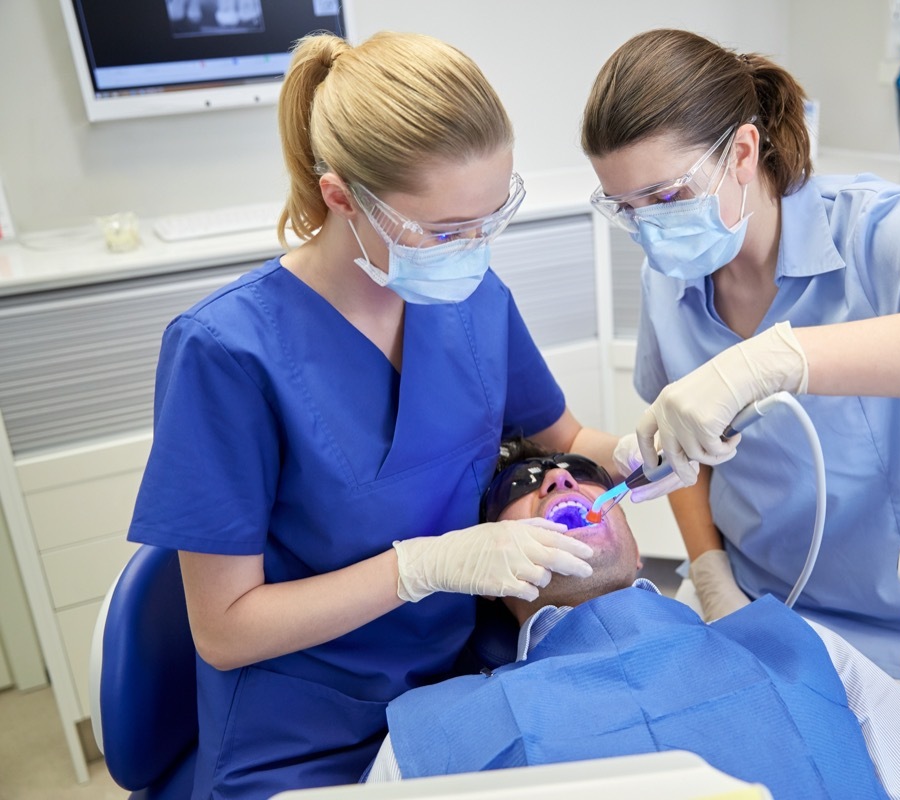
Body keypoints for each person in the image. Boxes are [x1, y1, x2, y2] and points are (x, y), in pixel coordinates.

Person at [126, 31, 628, 798]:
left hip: (461, 688)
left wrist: (644, 445)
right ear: (340, 197)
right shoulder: (226, 353)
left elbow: (566, 441)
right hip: (302, 736)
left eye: (492, 218)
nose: (475, 250)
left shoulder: (474, 300)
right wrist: (420, 567)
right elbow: (225, 631)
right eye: (444, 230)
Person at [579, 28, 900, 728]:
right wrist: (709, 578)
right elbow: (689, 456)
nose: (648, 231)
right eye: (626, 210)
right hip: (747, 597)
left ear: (741, 152)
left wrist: (775, 360)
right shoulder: (667, 277)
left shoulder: (876, 231)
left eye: (666, 196)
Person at [363, 440, 900, 800]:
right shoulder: (435, 728)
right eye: (523, 486)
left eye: (579, 472)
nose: (561, 484)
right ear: (486, 564)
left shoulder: (792, 645)